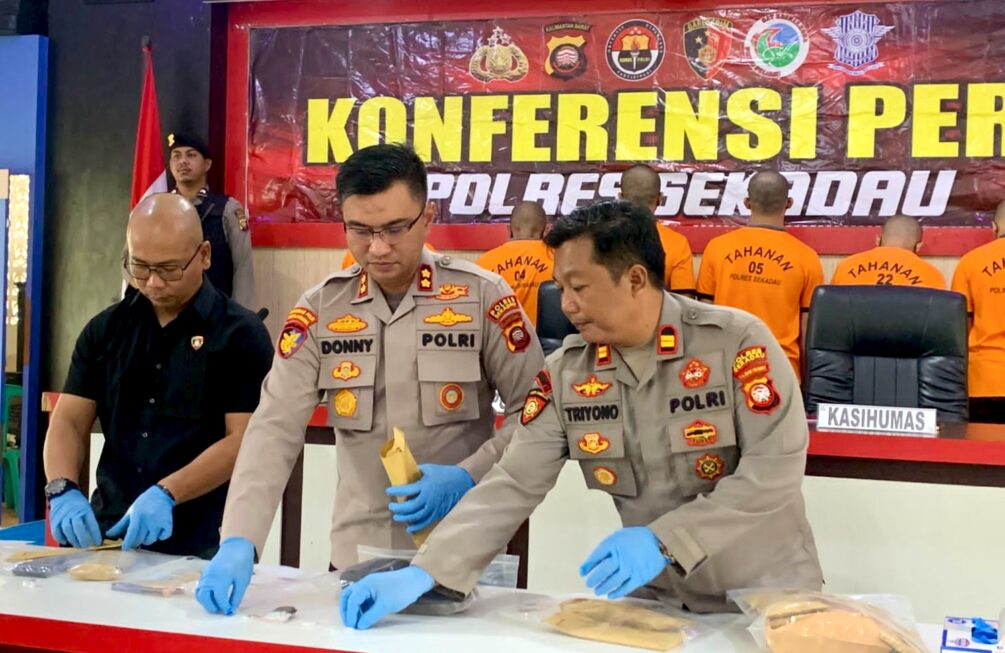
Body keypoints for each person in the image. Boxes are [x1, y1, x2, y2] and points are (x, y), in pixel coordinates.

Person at [338, 200, 822, 629]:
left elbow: (773, 470)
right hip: (660, 604)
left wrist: (665, 541)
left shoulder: (736, 342)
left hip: (767, 602)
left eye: (579, 287)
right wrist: (427, 571)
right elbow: (514, 481)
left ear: (635, 279)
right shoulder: (569, 372)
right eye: (560, 288)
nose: (566, 305)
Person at [195, 143, 545, 615]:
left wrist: (469, 474)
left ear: (427, 217)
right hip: (356, 558)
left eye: (395, 229)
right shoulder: (321, 309)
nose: (377, 248)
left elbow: (536, 415)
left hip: (463, 558)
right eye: (360, 230)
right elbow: (274, 428)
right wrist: (239, 538)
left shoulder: (482, 297)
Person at [42, 194, 273, 557]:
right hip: (109, 534)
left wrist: (168, 492)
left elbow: (242, 439)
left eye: (169, 269)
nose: (153, 283)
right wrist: (62, 488)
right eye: (140, 267)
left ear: (205, 255)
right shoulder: (106, 331)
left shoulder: (240, 335)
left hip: (202, 542)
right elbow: (69, 420)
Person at [697, 170, 823, 380]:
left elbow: (703, 315)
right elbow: (808, 329)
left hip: (725, 367)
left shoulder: (717, 248)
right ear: (789, 203)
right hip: (781, 371)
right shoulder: (807, 257)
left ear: (747, 203)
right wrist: (807, 381)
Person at [167, 133, 256, 310]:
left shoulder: (227, 209)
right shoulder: (157, 208)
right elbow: (131, 258)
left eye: (191, 155)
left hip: (215, 313)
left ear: (207, 164)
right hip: (167, 310)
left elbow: (243, 268)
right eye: (176, 156)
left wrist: (240, 317)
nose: (183, 161)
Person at [951, 201, 1005, 422]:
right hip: (983, 380)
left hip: (985, 380)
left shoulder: (970, 262)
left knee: (982, 444)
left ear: (994, 227)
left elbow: (958, 327)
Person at [619, 163, 695, 295]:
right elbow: (684, 299)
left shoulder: (599, 238)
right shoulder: (677, 244)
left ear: (620, 197)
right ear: (660, 199)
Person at [475, 201, 554, 325]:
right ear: (547, 230)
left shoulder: (483, 263)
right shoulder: (560, 259)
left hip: (500, 336)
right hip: (547, 337)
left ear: (509, 229)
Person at [831, 215, 945, 289]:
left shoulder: (846, 266)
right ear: (919, 246)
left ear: (877, 239)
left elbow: (832, 307)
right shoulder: (932, 275)